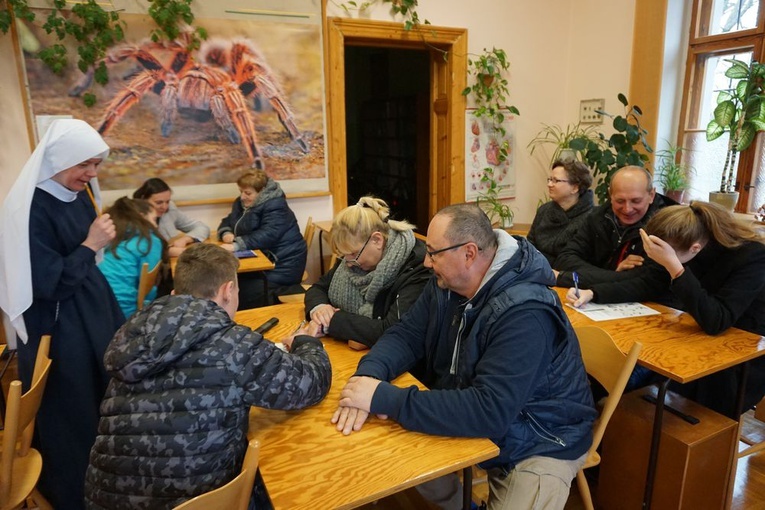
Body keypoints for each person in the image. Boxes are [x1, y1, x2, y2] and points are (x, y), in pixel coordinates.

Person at [332, 203, 596, 510]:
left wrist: (385, 398)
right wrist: (370, 375)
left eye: (433, 252)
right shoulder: (447, 282)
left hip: (542, 437)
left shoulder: (526, 313)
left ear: (469, 253)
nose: (427, 263)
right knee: (402, 459)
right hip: (488, 418)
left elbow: (489, 411)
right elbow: (406, 334)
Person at [84, 243, 332, 509]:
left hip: (102, 498)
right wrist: (307, 342)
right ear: (228, 291)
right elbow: (309, 384)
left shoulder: (134, 335)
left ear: (175, 293)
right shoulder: (232, 345)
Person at [0, 119, 125, 509]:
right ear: (58, 160)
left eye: (96, 165)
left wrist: (92, 247)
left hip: (90, 311)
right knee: (72, 413)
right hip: (58, 328)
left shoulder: (79, 194)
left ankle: (110, 481)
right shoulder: (29, 209)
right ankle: (76, 493)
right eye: (83, 165)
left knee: (102, 400)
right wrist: (92, 244)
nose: (91, 174)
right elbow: (49, 283)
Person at [567, 201, 765, 418]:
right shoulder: (686, 240)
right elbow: (647, 283)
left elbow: (717, 319)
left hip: (736, 360)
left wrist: (676, 268)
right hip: (692, 338)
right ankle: (591, 428)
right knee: (606, 370)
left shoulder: (752, 257)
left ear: (695, 249)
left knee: (631, 383)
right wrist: (593, 293)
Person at [303, 196, 431, 348]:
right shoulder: (353, 257)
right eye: (343, 255)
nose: (348, 263)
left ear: (377, 240)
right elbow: (318, 288)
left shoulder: (416, 267)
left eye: (352, 254)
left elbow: (392, 329)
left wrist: (332, 321)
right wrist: (320, 309)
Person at [554, 165, 676, 288]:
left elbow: (647, 282)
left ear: (651, 195)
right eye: (620, 201)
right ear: (610, 195)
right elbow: (565, 259)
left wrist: (603, 276)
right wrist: (613, 273)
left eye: (636, 201)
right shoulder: (597, 217)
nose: (627, 209)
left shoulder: (666, 227)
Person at [218, 170, 307, 308]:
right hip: (264, 258)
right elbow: (229, 220)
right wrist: (226, 233)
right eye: (241, 191)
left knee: (244, 290)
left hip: (283, 263)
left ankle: (251, 321)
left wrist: (236, 245)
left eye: (248, 193)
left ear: (261, 192)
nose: (242, 196)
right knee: (229, 282)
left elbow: (268, 234)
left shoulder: (276, 205)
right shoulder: (241, 203)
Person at [98, 197, 168, 317]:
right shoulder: (148, 240)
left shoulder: (112, 239)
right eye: (154, 219)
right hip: (126, 313)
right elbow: (148, 288)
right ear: (142, 217)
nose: (156, 225)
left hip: (98, 309)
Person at [527, 159, 594, 265]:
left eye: (555, 181)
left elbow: (578, 259)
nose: (549, 184)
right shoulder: (544, 210)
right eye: (549, 179)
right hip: (535, 269)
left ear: (575, 188)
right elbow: (529, 246)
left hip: (568, 276)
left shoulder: (591, 218)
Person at [133, 177, 210, 257]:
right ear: (143, 200)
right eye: (159, 202)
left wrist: (186, 239)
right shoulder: (131, 216)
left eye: (167, 201)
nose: (165, 207)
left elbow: (202, 227)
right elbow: (136, 250)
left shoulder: (170, 208)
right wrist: (167, 252)